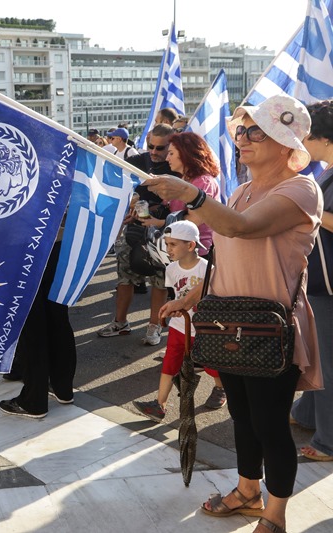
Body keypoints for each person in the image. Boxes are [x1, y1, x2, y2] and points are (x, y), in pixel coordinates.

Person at [148, 94, 322, 533]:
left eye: (255, 131)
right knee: (242, 418)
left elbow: (238, 228)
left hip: (270, 327)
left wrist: (190, 194)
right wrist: (191, 298)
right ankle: (247, 491)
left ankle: (275, 515)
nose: (242, 139)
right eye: (241, 130)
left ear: (286, 144)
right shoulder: (241, 191)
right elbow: (224, 256)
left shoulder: (300, 189)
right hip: (230, 322)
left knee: (269, 423)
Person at [132, 221, 225, 422]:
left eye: (173, 244)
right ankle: (160, 405)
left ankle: (221, 388)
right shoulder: (171, 269)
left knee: (210, 365)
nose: (168, 249)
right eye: (166, 243)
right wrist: (173, 309)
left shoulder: (207, 268)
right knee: (170, 362)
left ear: (191, 246)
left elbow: (213, 299)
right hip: (179, 326)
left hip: (203, 328)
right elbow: (175, 295)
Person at [96, 124, 176, 345]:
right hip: (135, 229)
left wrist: (160, 211)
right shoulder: (138, 161)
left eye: (161, 148)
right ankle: (120, 322)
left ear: (172, 145)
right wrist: (127, 203)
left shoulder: (177, 166)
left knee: (159, 281)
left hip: (164, 233)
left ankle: (154, 326)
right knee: (125, 276)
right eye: (151, 146)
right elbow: (116, 185)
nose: (154, 152)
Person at [291, 99, 333, 463]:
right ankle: (307, 415)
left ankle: (329, 441)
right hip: (321, 281)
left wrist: (312, 212)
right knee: (318, 358)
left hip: (330, 285)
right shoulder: (327, 170)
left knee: (328, 362)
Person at [0, 231, 77, 418]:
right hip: (57, 242)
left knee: (30, 325)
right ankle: (63, 387)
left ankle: (34, 400)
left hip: (24, 245)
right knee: (58, 318)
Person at [137, 131, 221, 254]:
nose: (167, 158)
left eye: (171, 153)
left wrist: (158, 223)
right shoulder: (184, 179)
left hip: (197, 253)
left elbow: (193, 221)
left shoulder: (203, 181)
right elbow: (170, 209)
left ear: (185, 154)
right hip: (180, 251)